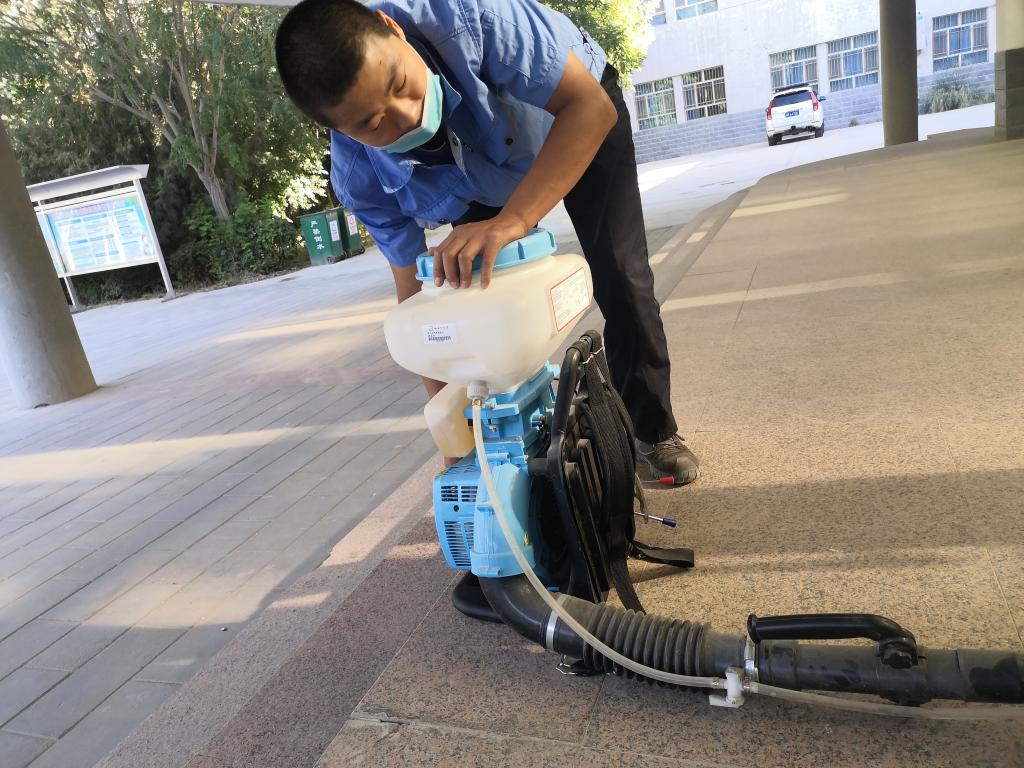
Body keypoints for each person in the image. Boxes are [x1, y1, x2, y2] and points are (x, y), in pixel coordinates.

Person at [274, 0, 699, 484]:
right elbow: (418, 306)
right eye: (373, 124)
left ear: (393, 28)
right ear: (335, 128)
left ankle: (653, 431)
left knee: (621, 274)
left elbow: (590, 108)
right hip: (476, 177)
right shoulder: (358, 177)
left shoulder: (470, 18)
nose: (408, 115)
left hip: (573, 112)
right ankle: (515, 450)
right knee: (471, 308)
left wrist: (515, 218)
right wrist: (454, 438)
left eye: (399, 82)